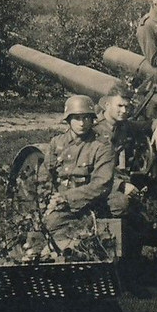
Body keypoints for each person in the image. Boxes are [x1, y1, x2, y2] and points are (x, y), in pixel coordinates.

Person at [40, 94, 115, 238]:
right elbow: (44, 176)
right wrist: (47, 201)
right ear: (68, 120)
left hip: (88, 203)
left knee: (54, 225)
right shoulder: (57, 143)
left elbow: (101, 184)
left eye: (86, 118)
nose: (82, 123)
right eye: (77, 118)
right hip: (57, 203)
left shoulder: (101, 146)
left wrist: (66, 198)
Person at [95, 84, 157, 216]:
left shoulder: (124, 126)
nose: (124, 111)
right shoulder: (93, 131)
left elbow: (150, 123)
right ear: (107, 105)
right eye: (120, 106)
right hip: (99, 183)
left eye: (127, 106)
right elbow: (91, 169)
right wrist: (121, 185)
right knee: (121, 204)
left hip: (121, 179)